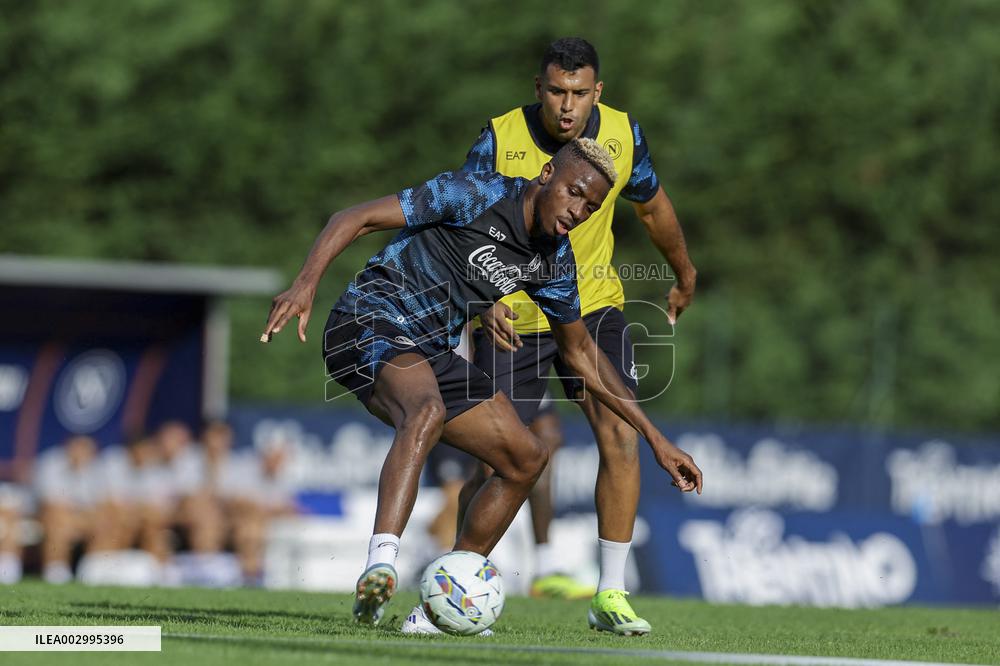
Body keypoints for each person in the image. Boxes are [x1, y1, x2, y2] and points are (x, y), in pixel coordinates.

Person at [261, 138, 702, 627]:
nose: (579, 210)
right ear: (547, 173)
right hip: (367, 320)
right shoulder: (472, 192)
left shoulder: (553, 261)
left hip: (429, 349)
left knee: (526, 457)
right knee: (425, 410)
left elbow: (580, 353)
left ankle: (437, 606)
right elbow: (354, 217)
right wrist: (305, 284)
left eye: (592, 206)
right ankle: (380, 566)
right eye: (574, 193)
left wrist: (656, 439)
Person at [457, 38, 698, 636]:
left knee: (620, 431)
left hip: (590, 310)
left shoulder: (623, 134)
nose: (568, 107)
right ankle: (457, 584)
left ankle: (610, 595)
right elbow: (460, 223)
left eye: (579, 93)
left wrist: (684, 272)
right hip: (511, 315)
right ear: (539, 88)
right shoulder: (498, 138)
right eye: (557, 92)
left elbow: (652, 208)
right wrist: (480, 300)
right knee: (499, 460)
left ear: (598, 92)